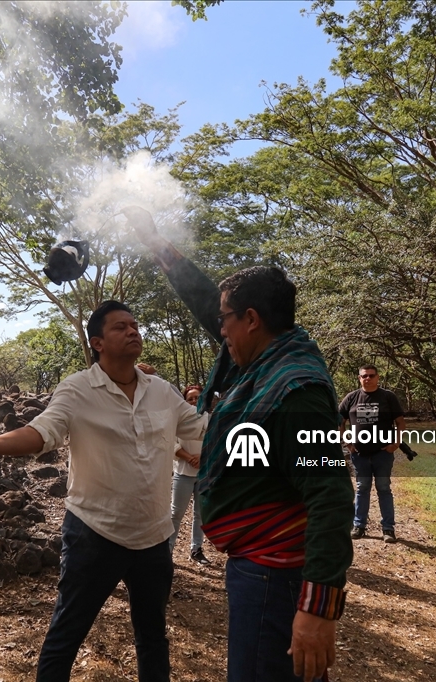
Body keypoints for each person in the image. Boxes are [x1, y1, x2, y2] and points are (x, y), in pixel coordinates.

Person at [126, 207, 353, 682]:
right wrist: (155, 242)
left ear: (251, 319)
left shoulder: (296, 389)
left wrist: (318, 608)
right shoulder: (265, 359)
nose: (220, 329)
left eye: (226, 320)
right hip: (260, 568)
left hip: (275, 575)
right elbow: (205, 299)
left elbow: (331, 494)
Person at [0, 300, 205, 682]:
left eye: (134, 325)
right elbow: (41, 432)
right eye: (120, 327)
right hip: (94, 535)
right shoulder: (78, 389)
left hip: (153, 538)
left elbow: (204, 428)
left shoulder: (162, 391)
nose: (132, 331)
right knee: (66, 636)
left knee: (153, 638)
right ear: (97, 342)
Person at [338, 364, 407, 543]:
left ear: (377, 377)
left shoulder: (388, 397)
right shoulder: (351, 398)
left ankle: (388, 529)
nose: (367, 378)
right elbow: (339, 422)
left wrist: (396, 443)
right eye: (364, 376)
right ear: (359, 378)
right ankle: (359, 526)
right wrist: (347, 443)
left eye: (371, 375)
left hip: (382, 453)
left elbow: (400, 422)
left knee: (384, 488)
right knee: (362, 488)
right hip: (359, 454)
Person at [169, 384, 211, 565]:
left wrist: (202, 457)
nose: (194, 401)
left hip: (204, 474)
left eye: (197, 398)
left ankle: (196, 549)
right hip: (183, 473)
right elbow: (172, 443)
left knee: (200, 514)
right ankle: (167, 551)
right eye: (190, 399)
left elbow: (216, 441)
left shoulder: (209, 419)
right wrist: (188, 457)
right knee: (175, 514)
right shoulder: (177, 419)